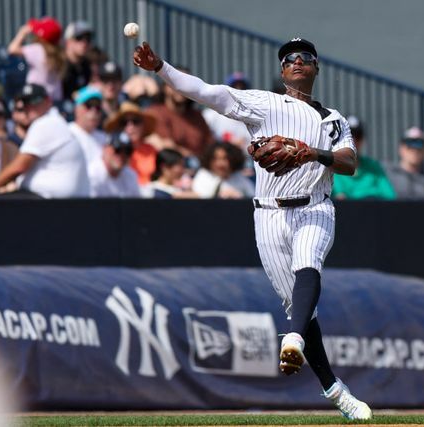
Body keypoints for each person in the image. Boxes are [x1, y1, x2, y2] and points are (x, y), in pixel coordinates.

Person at [133, 38, 372, 420]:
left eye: (305, 57)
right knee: (298, 307)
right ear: (282, 71)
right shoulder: (265, 103)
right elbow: (205, 92)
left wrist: (312, 153)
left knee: (308, 265)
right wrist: (161, 67)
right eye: (289, 58)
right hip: (268, 214)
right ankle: (334, 389)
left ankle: (292, 338)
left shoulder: (334, 119)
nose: (297, 61)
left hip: (315, 208)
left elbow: (348, 163)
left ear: (316, 67)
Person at [0, 84, 89, 199]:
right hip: (55, 202)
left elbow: (19, 167)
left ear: (48, 101)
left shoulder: (46, 122)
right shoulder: (54, 121)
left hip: (51, 202)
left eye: (35, 101)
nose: (30, 107)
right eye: (26, 103)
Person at [145, 67, 214, 159]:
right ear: (165, 87)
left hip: (201, 170)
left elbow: (210, 147)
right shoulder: (155, 113)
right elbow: (166, 147)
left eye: (186, 85)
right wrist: (192, 159)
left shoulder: (198, 117)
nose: (181, 88)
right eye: (176, 83)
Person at [332, 116, 396, 200]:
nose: (353, 141)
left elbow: (390, 197)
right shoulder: (330, 168)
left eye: (358, 136)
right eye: (348, 136)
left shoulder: (373, 167)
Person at [7, 17, 65, 102]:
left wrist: (22, 33)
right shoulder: (60, 52)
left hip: (36, 98)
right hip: (55, 100)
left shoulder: (37, 49)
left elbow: (12, 49)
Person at [103, 101, 157, 185]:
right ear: (119, 127)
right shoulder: (112, 151)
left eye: (135, 121)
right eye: (124, 123)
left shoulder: (151, 149)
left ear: (143, 125)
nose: (130, 127)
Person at [383, 126, 424, 199]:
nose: (415, 150)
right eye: (409, 144)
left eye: (420, 144)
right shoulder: (386, 176)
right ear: (401, 149)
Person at [68, 85, 108, 174]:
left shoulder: (104, 138)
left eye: (98, 107)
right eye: (88, 105)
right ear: (77, 108)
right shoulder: (66, 133)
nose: (94, 111)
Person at [88, 132, 141, 198]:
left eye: (127, 151)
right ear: (105, 149)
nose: (122, 155)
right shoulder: (92, 175)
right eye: (117, 150)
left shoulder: (131, 176)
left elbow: (135, 205)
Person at [62, 20, 93, 100]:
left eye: (88, 39)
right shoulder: (59, 64)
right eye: (79, 38)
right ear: (68, 41)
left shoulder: (87, 65)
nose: (84, 43)